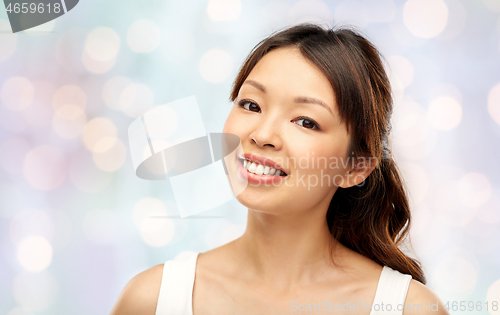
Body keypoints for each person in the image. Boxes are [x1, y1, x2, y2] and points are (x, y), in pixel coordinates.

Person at [110, 23, 449, 315]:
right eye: (251, 105)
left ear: (356, 167)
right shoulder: (153, 299)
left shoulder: (409, 308)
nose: (262, 135)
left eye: (306, 121)